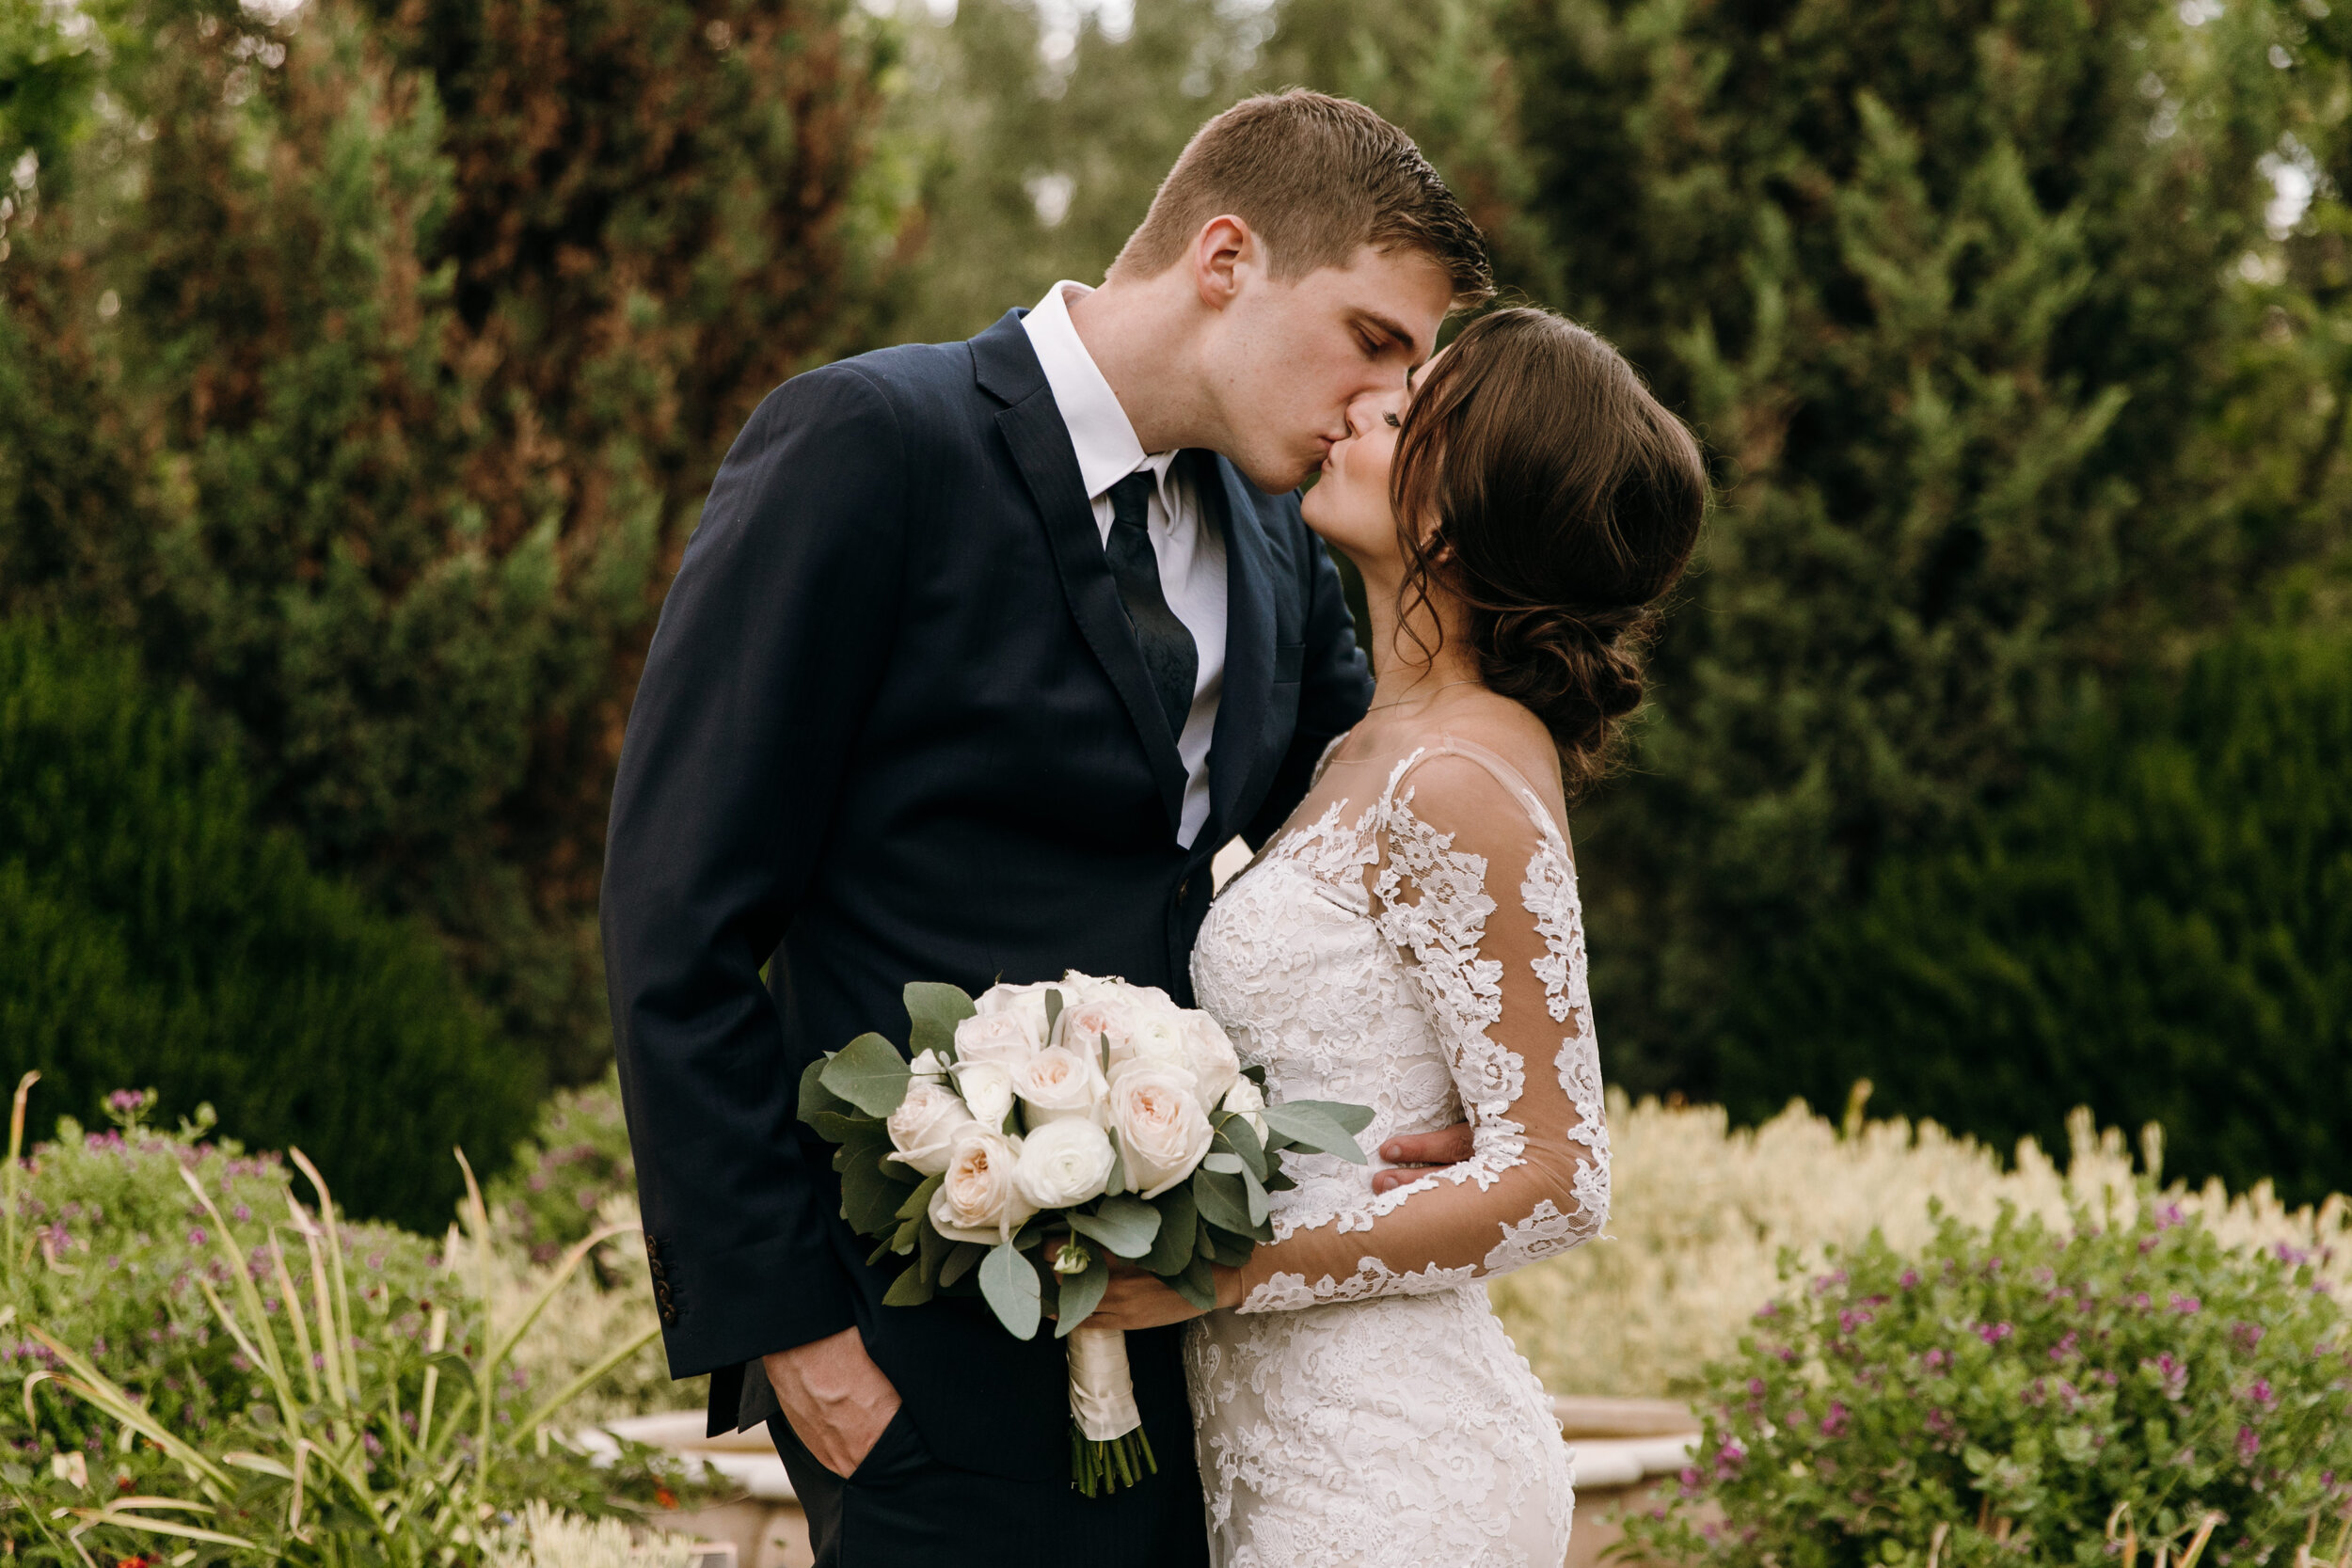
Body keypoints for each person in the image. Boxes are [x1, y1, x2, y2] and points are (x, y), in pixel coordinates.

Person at [598, 91, 1490, 1566]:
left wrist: (1461, 1062)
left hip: (1197, 1344)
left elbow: (1367, 836)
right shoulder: (873, 443)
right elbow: (676, 911)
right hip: (916, 1355)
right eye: (1373, 339)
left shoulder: (1276, 536)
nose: (1382, 401)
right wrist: (792, 1331)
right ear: (1225, 258)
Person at [1089, 306, 1709, 1565]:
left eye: (1404, 409)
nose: (1357, 406)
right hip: (1281, 1450)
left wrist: (1221, 1274)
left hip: (1391, 1474)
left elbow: (1558, 1176)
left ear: (1454, 512)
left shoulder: (1457, 775)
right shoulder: (1362, 748)